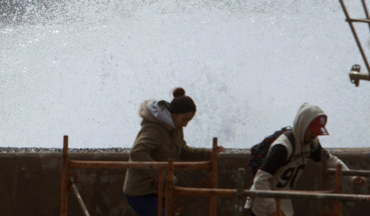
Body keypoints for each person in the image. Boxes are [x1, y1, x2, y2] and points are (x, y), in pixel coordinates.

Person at [246, 103, 367, 216]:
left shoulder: (311, 144)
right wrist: (272, 208)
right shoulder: (282, 148)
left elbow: (329, 160)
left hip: (283, 199)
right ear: (303, 125)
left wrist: (352, 177)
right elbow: (260, 180)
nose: (314, 135)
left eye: (317, 132)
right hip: (263, 203)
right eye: (312, 131)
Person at [123, 87, 223, 216]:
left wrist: (207, 152)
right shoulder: (155, 129)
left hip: (159, 190)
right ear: (173, 114)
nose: (186, 124)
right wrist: (161, 176)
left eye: (188, 121)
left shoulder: (175, 128)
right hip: (141, 191)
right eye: (184, 120)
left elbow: (183, 150)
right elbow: (137, 152)